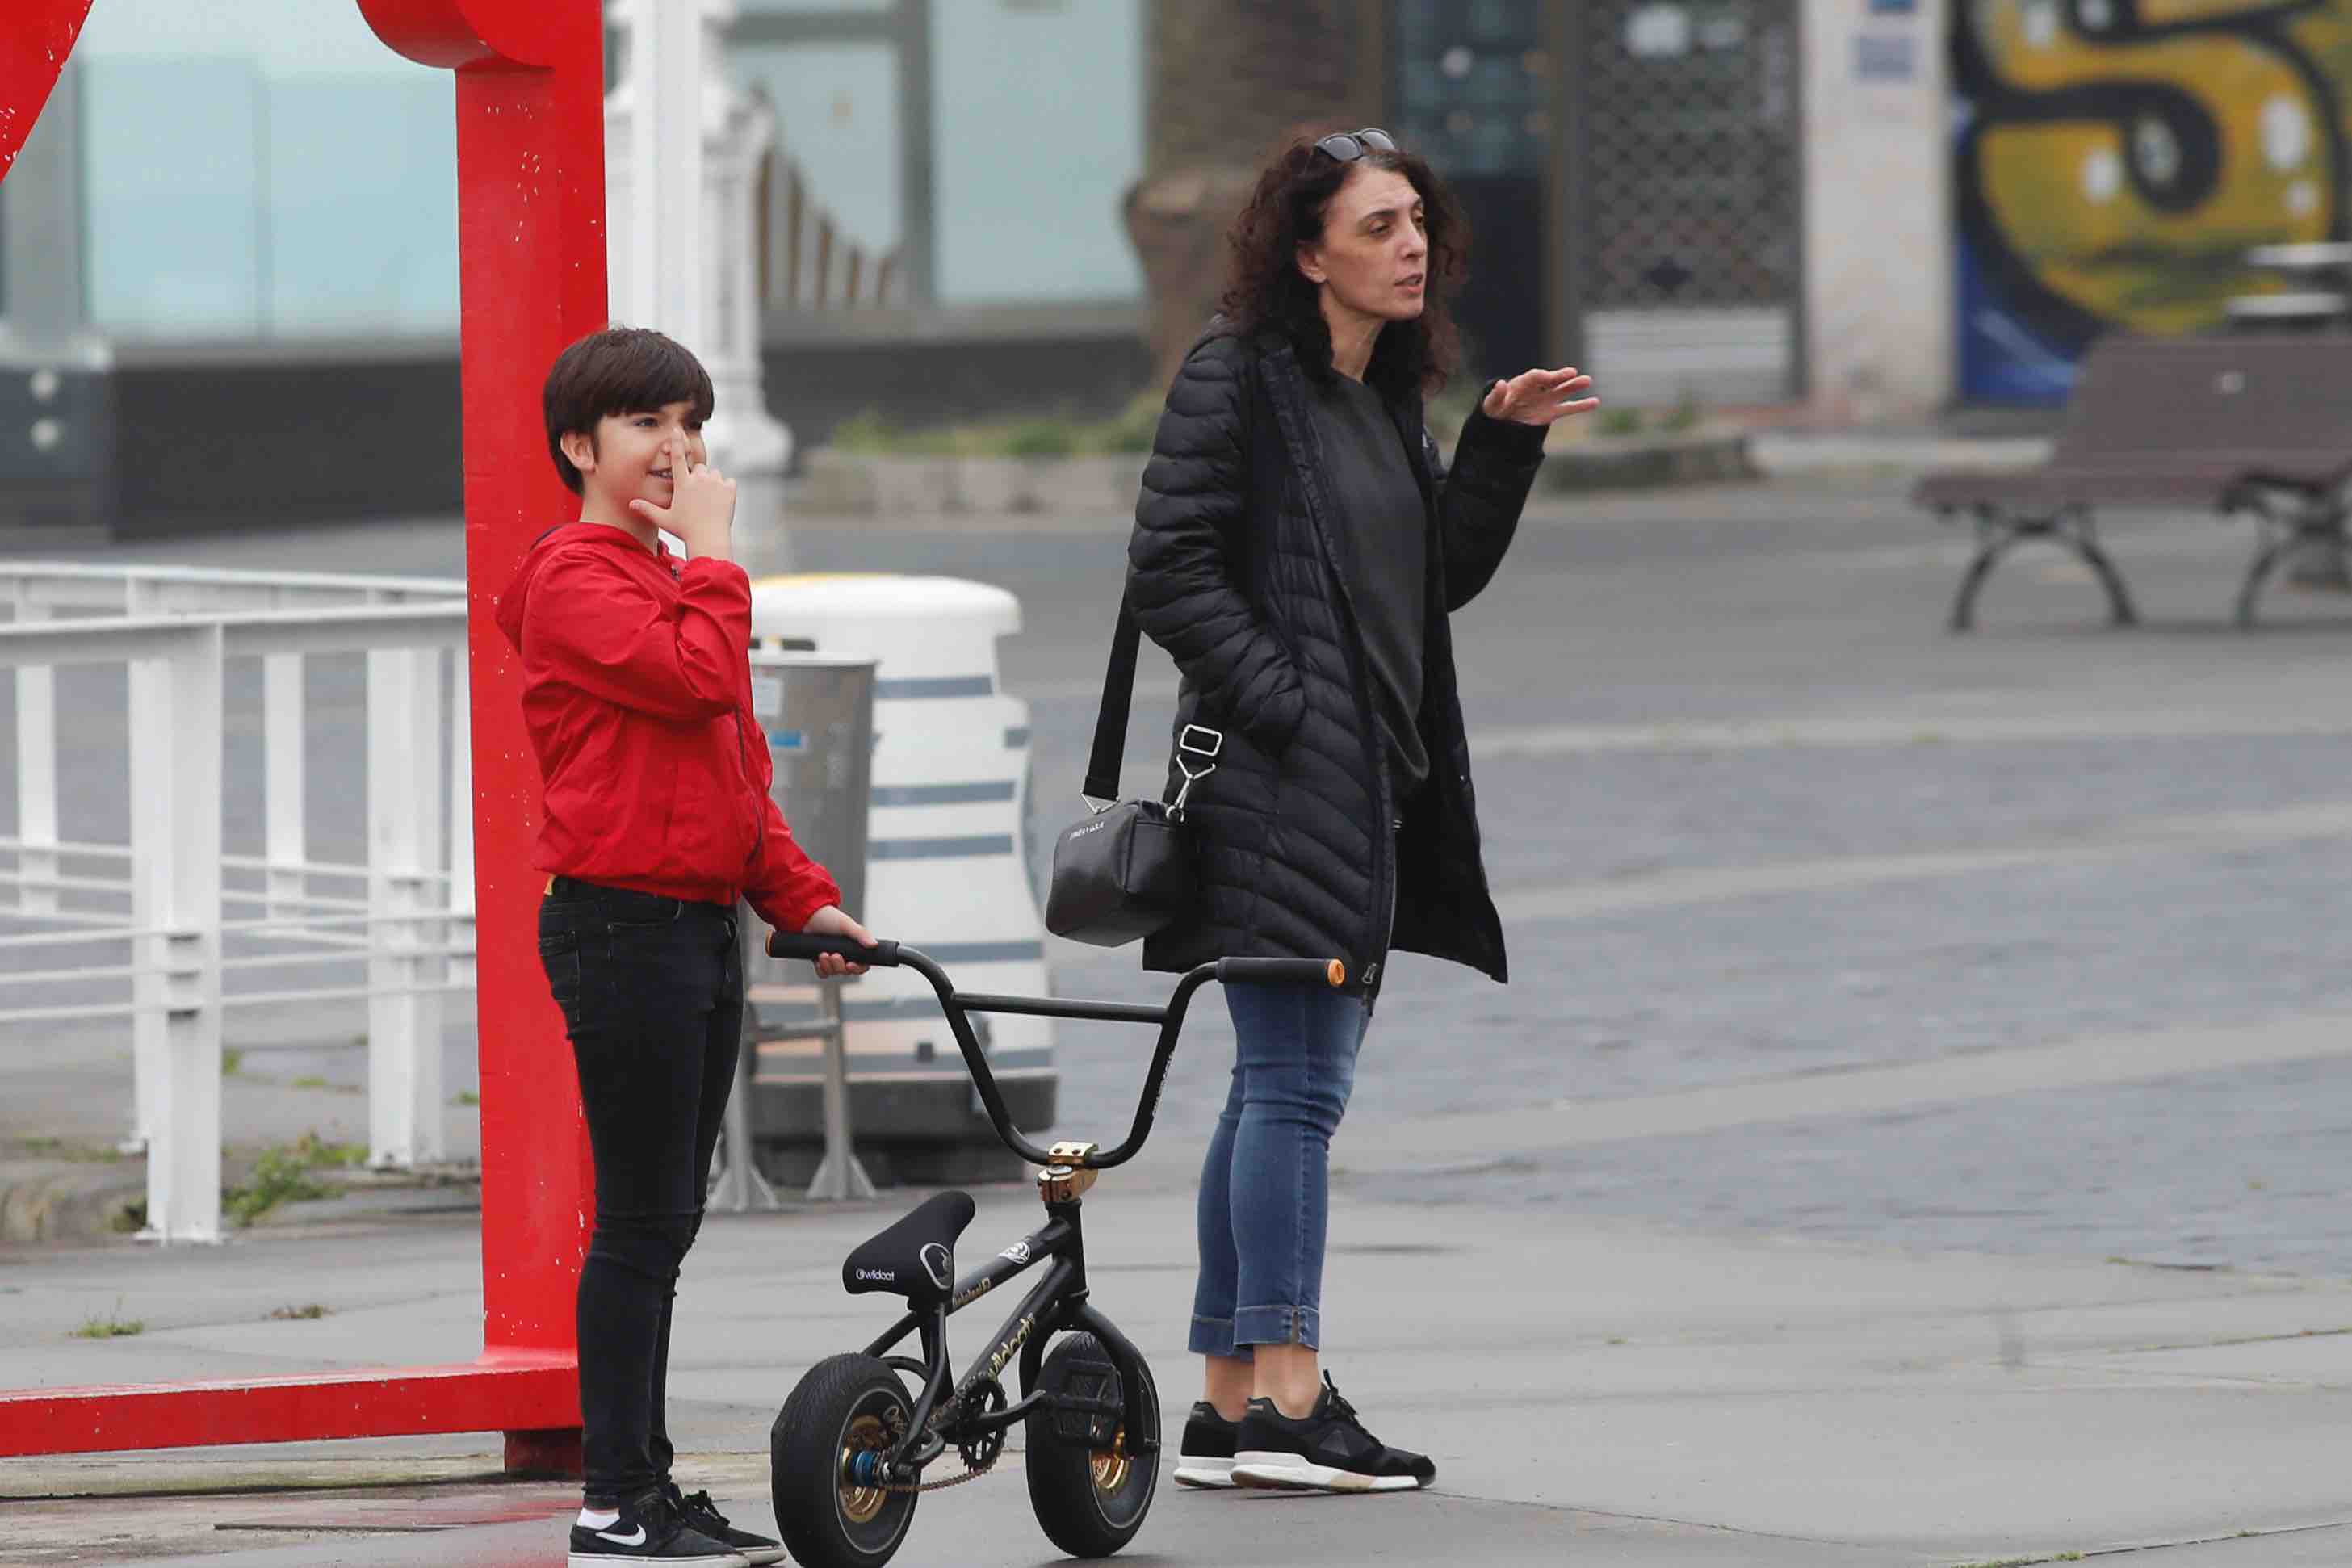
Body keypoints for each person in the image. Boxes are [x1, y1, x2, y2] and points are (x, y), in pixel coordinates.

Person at [1126, 128, 1597, 1495]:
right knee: (1295, 1089)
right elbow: (1169, 571)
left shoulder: (1380, 394)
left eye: (1417, 226)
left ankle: (1226, 1398)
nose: (1409, 249)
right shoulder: (1238, 380)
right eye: (1379, 226)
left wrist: (1498, 451)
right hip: (1284, 786)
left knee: (1272, 1083)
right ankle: (1283, 1397)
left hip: (1364, 786)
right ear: (1304, 252)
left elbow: (1428, 583)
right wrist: (1287, 704)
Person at [498, 325, 877, 1567]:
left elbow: (730, 777)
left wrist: (800, 899)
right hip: (619, 924)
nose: (678, 448)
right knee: (640, 1220)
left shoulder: (664, 577)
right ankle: (614, 1500)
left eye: (690, 423)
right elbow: (700, 681)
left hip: (692, 925)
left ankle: (646, 1487)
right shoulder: (576, 575)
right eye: (646, 425)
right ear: (578, 446)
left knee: (663, 1220)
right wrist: (713, 557)